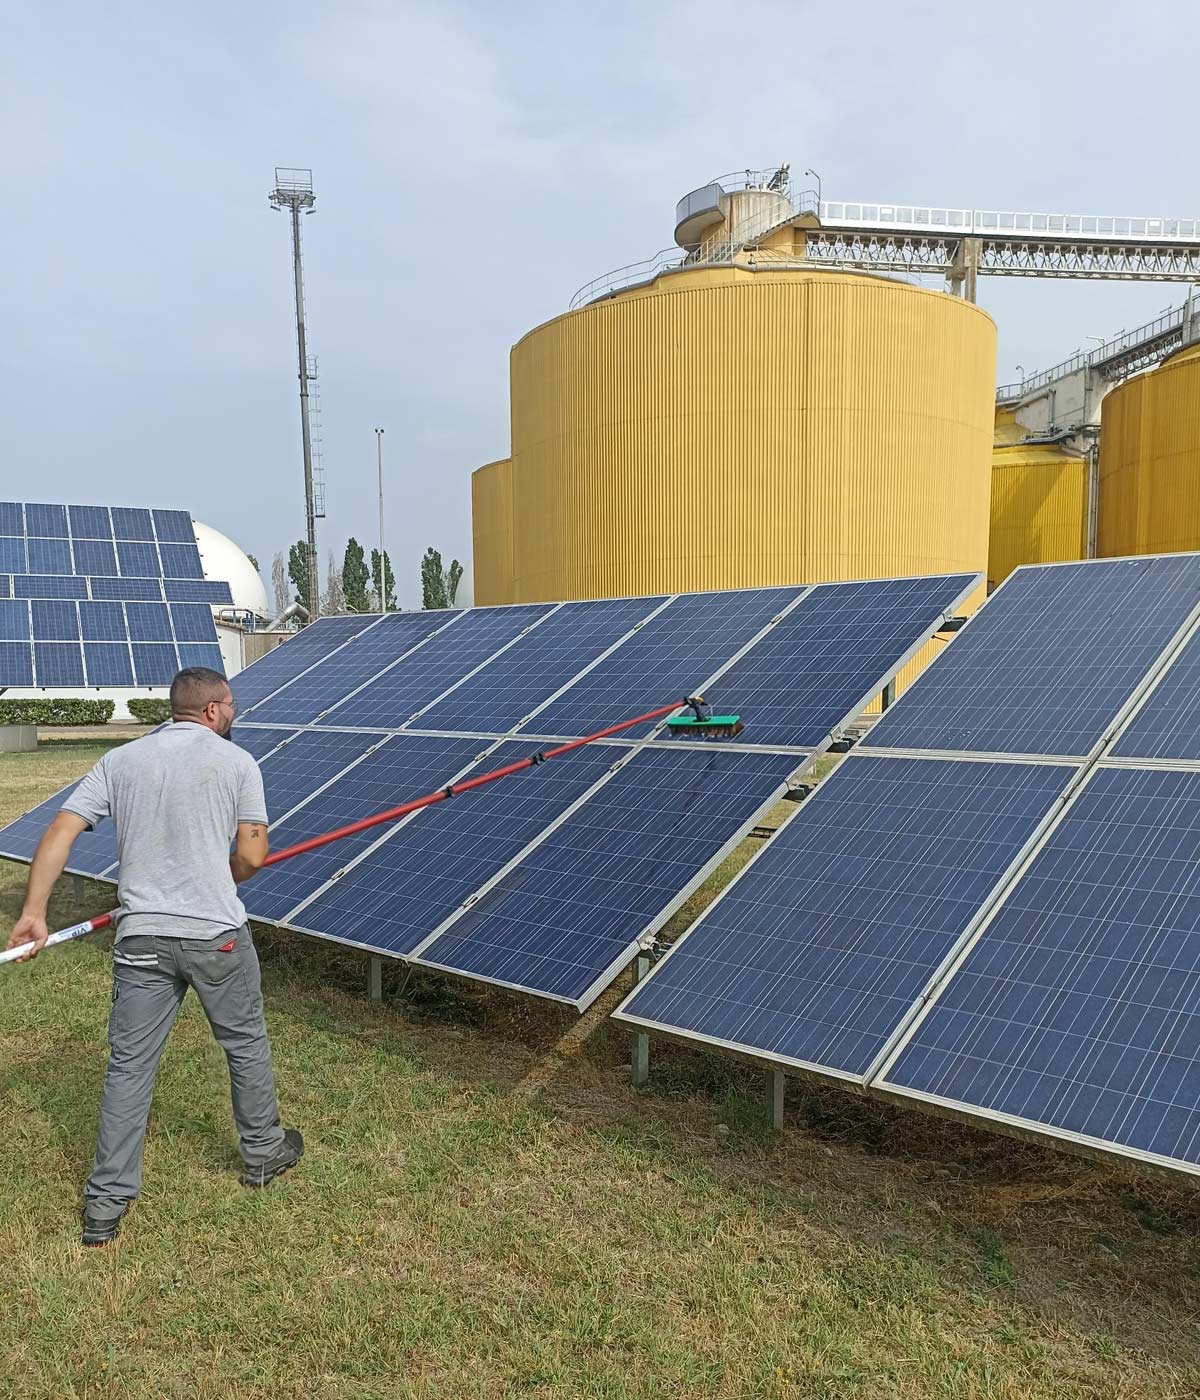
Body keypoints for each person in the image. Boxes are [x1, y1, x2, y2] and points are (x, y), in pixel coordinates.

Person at [5, 667, 302, 1247]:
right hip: (217, 935)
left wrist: (34, 911)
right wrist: (227, 874)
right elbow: (253, 854)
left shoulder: (122, 761)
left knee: (129, 1067)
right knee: (243, 1042)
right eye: (231, 707)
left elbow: (62, 830)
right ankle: (264, 1151)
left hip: (140, 936)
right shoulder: (237, 764)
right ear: (214, 710)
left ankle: (104, 1206)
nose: (232, 715)